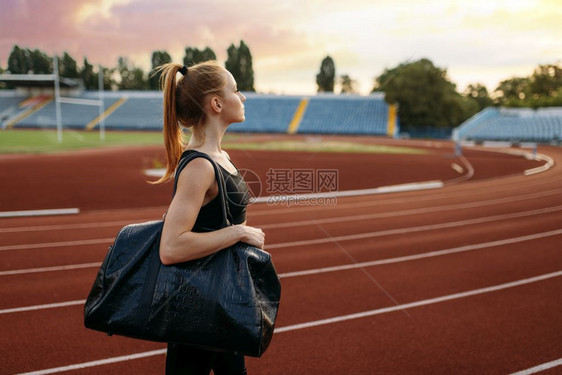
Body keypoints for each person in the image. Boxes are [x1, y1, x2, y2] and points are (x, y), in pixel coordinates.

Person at [153, 60, 265, 375]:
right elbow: (171, 247)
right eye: (236, 90)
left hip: (223, 302)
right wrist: (238, 234)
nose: (242, 98)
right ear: (216, 103)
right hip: (196, 309)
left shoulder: (221, 158)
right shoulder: (199, 166)